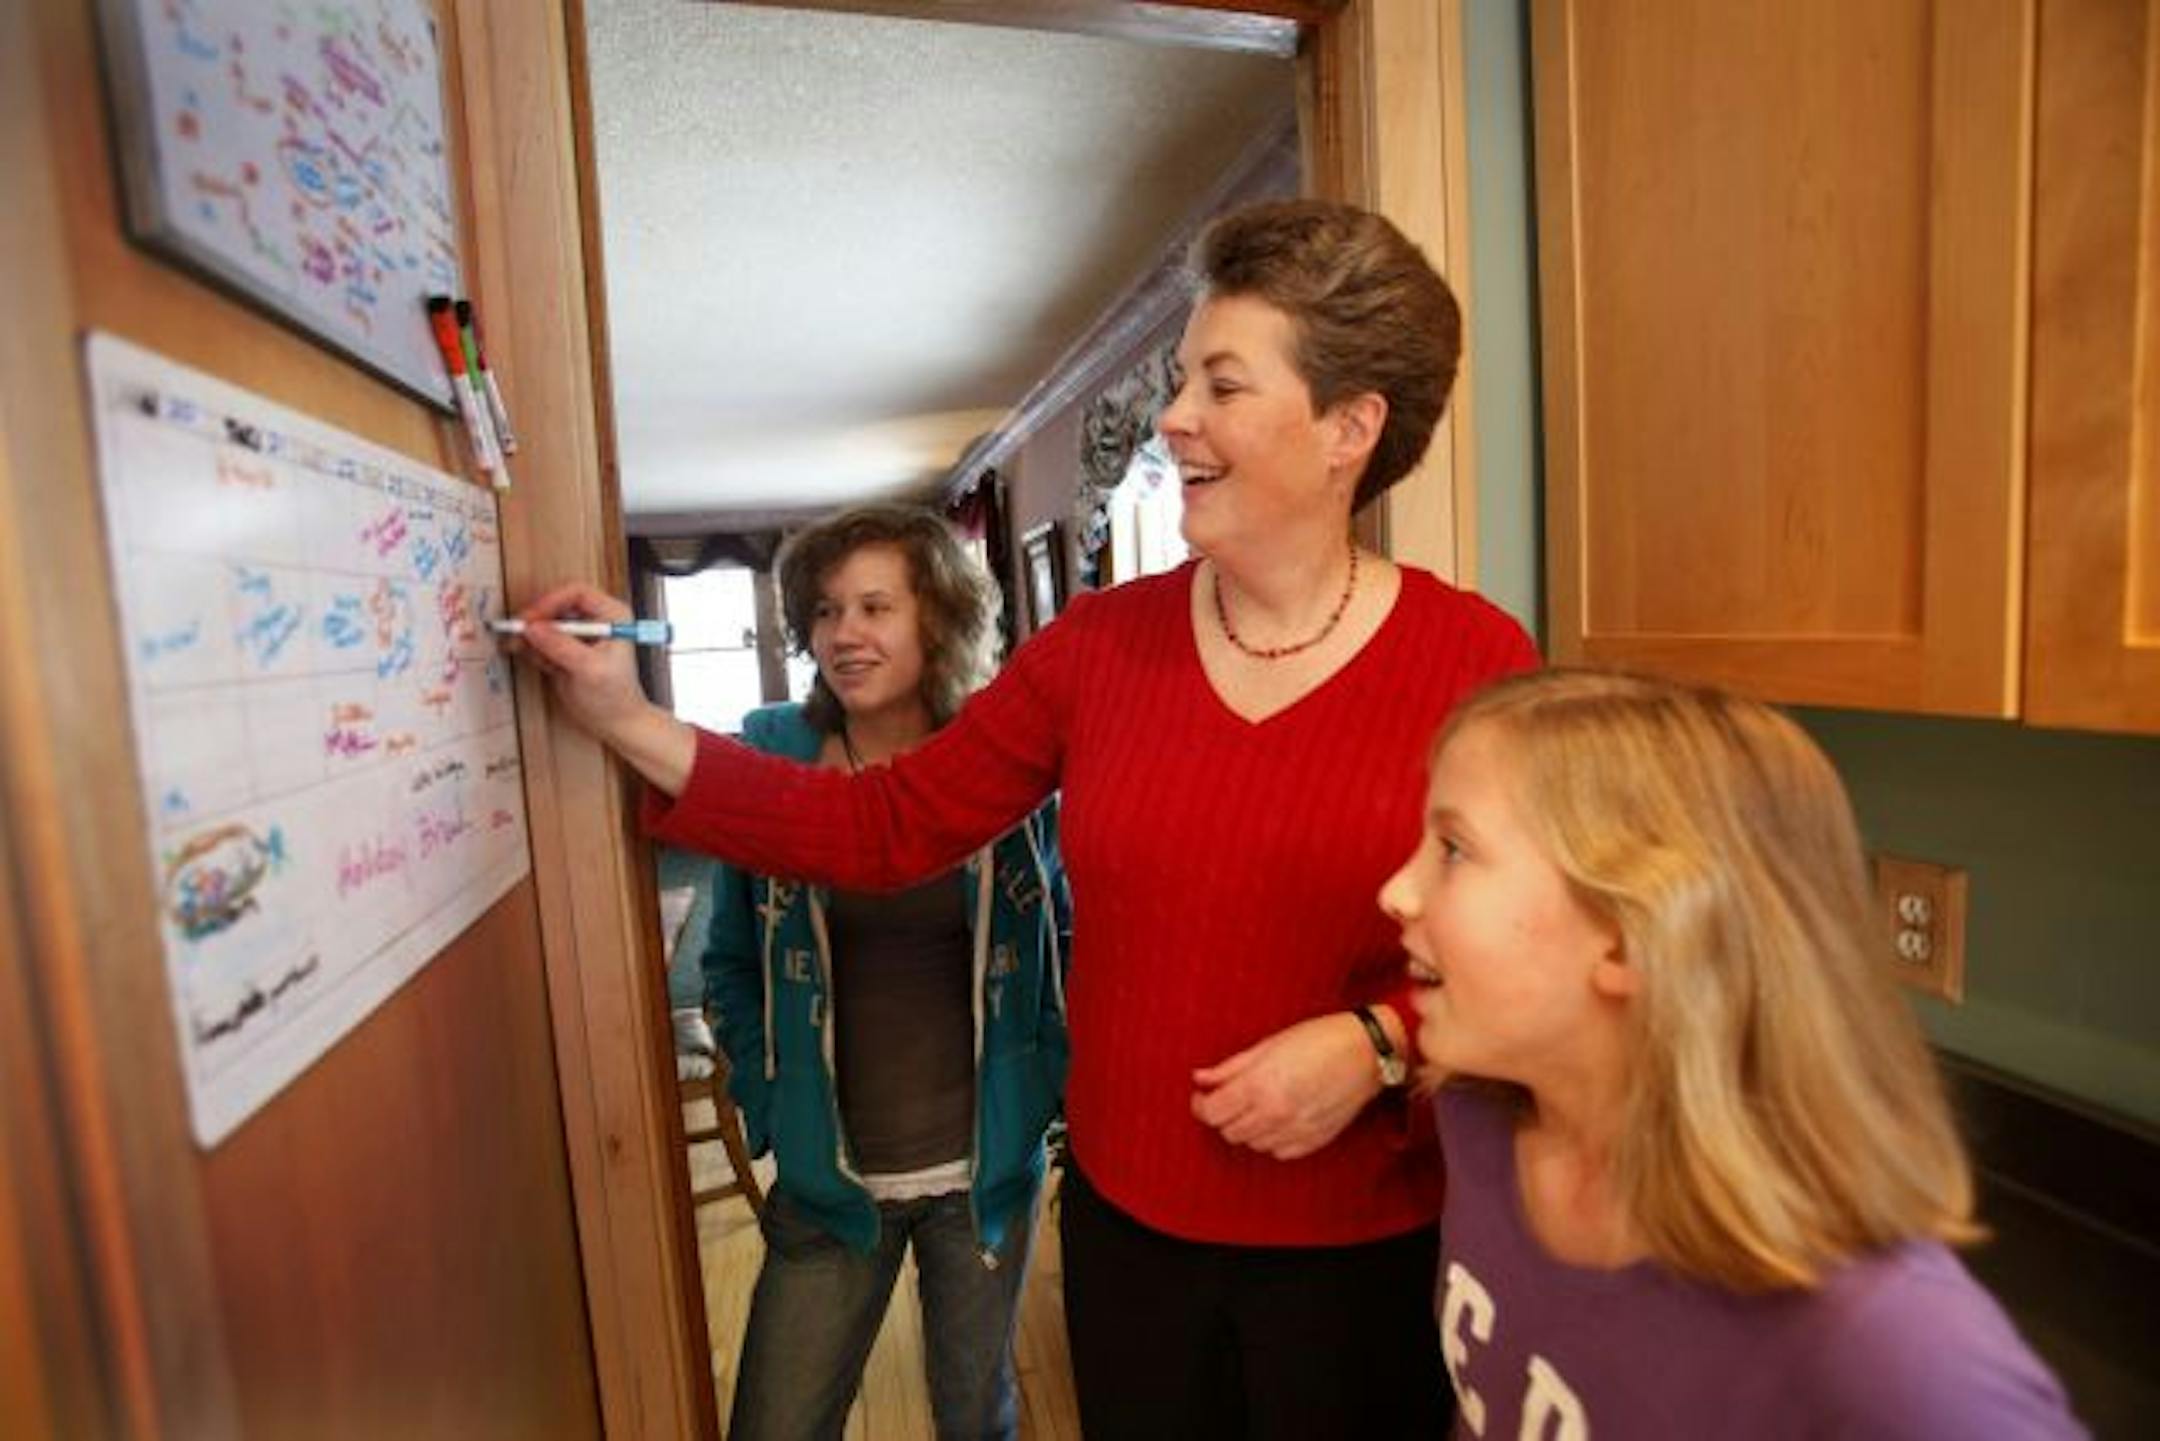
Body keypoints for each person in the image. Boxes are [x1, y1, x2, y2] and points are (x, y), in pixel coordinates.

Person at [511, 199, 1538, 1437]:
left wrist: (1377, 1042)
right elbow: (885, 826)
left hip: (1363, 1245)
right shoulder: (1097, 648)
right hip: (1128, 1235)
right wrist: (629, 718)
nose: (1173, 420)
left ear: (1349, 429)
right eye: (1176, 382)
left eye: (1221, 384)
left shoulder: (1473, 659)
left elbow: (1534, 956)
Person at [1377, 669, 2086, 1439]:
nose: (1396, 890)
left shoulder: (1895, 1354)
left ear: (1627, 932)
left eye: (1452, 847)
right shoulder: (1479, 1113)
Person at [702, 504, 1069, 1441]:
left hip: (984, 1175)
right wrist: (768, 1086)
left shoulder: (1008, 763)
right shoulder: (771, 759)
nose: (843, 634)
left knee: (974, 1419)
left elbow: (1064, 938)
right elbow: (729, 961)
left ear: (937, 619)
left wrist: (1047, 1085)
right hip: (831, 1180)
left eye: (875, 606)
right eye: (824, 611)